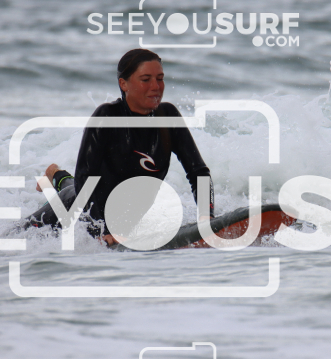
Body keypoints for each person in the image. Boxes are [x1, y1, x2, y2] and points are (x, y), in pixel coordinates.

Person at [30, 49, 214, 245]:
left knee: (74, 187)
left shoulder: (168, 117)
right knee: (19, 232)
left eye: (160, 79)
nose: (156, 86)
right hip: (74, 215)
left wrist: (207, 216)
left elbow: (198, 172)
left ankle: (55, 174)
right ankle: (56, 177)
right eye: (146, 80)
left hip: (124, 220)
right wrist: (105, 230)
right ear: (123, 84)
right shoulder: (106, 117)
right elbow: (85, 180)